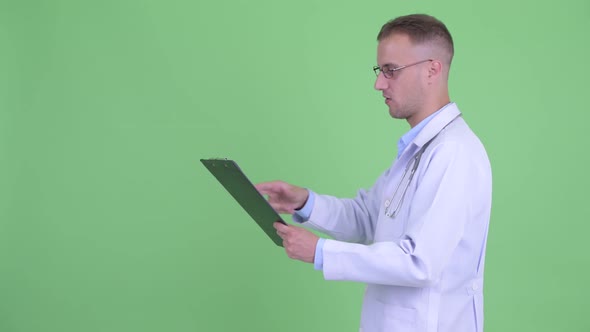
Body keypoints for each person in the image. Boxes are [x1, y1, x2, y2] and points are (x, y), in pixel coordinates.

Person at [256, 14, 492, 332]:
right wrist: (304, 203)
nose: (379, 83)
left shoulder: (454, 152)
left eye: (390, 71)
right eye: (380, 71)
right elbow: (368, 217)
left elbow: (420, 261)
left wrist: (321, 252)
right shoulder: (418, 151)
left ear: (432, 69)